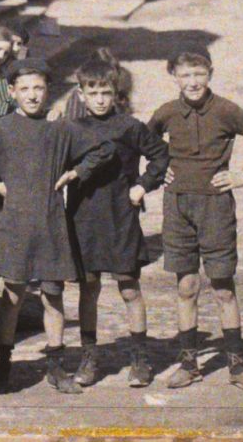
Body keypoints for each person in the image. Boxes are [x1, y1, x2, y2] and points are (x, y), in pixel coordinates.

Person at [0, 59, 115, 395]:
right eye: (24, 89)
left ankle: (56, 368)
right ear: (11, 92)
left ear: (48, 91)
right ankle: (3, 367)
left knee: (53, 296)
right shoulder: (1, 129)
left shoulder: (61, 129)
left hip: (52, 223)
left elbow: (103, 148)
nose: (32, 95)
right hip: (14, 224)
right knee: (12, 295)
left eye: (39, 88)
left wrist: (75, 173)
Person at [147, 48, 243, 390]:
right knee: (186, 285)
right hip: (177, 207)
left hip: (216, 207)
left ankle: (236, 364)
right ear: (174, 75)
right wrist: (159, 171)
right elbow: (142, 143)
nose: (192, 82)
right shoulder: (167, 112)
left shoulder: (226, 110)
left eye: (199, 74)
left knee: (223, 287)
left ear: (211, 73)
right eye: (185, 74)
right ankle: (189, 363)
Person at [65, 57, 168, 388]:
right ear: (81, 94)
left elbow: (161, 156)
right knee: (89, 287)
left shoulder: (130, 126)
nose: (99, 99)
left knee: (128, 286)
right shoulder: (72, 129)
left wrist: (143, 185)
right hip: (84, 218)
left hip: (121, 216)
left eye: (105, 93)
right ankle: (89, 356)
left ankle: (140, 357)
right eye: (92, 92)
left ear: (116, 94)